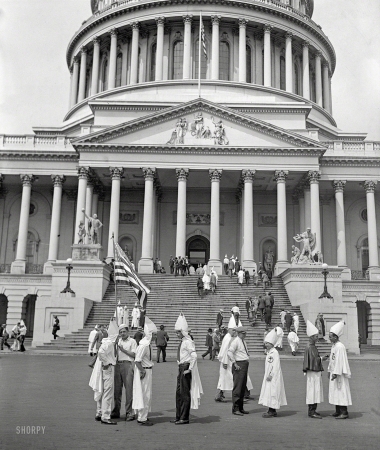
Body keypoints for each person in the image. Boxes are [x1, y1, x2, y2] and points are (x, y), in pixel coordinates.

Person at [171, 313, 203, 425]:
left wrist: (189, 369)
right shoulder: (183, 342)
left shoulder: (188, 342)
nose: (176, 334)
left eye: (178, 332)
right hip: (181, 367)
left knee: (184, 393)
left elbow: (194, 356)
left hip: (185, 367)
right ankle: (178, 415)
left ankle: (184, 417)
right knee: (178, 393)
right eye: (176, 332)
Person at [215, 316, 252, 403]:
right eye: (233, 330)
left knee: (234, 380)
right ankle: (225, 395)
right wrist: (224, 361)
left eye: (236, 330)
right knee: (227, 379)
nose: (234, 332)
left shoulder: (233, 338)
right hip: (227, 362)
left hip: (232, 362)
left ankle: (242, 394)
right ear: (229, 330)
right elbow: (225, 351)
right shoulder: (228, 338)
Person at [89, 319, 119, 425]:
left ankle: (99, 412)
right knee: (107, 392)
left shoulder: (107, 342)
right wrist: (106, 363)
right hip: (108, 368)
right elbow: (101, 353)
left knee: (101, 390)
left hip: (104, 368)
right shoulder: (110, 343)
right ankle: (105, 416)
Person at [132, 317, 157, 426]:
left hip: (147, 371)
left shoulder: (148, 344)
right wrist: (142, 371)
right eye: (154, 334)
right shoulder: (144, 345)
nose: (156, 336)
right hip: (144, 372)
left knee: (147, 394)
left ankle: (144, 415)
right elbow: (137, 360)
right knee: (144, 394)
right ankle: (142, 418)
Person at [111, 324, 137, 421]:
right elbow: (114, 354)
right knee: (117, 390)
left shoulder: (132, 341)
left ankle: (129, 412)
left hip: (128, 365)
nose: (122, 334)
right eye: (121, 332)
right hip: (118, 364)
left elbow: (134, 354)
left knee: (129, 389)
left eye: (124, 332)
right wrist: (114, 345)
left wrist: (123, 350)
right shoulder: (118, 341)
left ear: (128, 331)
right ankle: (116, 410)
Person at [259, 328, 287, 418]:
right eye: (265, 343)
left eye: (267, 343)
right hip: (268, 375)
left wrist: (271, 375)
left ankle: (271, 410)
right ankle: (271, 409)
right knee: (269, 391)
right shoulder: (269, 352)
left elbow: (276, 365)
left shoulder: (274, 353)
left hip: (273, 376)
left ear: (271, 344)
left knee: (273, 391)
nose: (266, 345)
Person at [327, 320, 352, 419]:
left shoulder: (340, 347)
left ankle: (344, 412)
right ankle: (337, 410)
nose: (329, 338)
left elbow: (340, 361)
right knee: (335, 392)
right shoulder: (334, 346)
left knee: (341, 391)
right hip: (334, 372)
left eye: (330, 336)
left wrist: (336, 373)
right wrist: (330, 370)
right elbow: (332, 359)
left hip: (339, 373)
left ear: (336, 337)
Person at [303, 320, 326, 418]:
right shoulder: (310, 347)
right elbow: (313, 360)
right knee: (313, 391)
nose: (317, 338)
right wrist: (321, 358)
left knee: (314, 390)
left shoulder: (311, 346)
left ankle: (313, 410)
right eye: (316, 336)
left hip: (313, 372)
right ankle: (311, 411)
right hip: (313, 372)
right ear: (312, 337)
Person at [227, 326, 250, 416]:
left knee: (242, 387)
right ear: (239, 333)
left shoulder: (242, 341)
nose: (245, 335)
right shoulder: (235, 341)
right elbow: (229, 352)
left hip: (244, 364)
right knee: (238, 387)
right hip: (239, 365)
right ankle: (235, 408)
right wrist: (234, 363)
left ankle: (240, 407)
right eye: (243, 334)